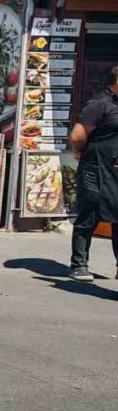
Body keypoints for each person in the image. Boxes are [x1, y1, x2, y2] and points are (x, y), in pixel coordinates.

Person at [67, 65, 118, 281]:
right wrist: (81, 152)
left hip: (115, 171)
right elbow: (78, 135)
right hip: (96, 168)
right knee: (90, 214)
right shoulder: (99, 104)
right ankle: (79, 264)